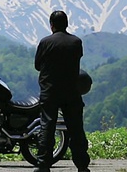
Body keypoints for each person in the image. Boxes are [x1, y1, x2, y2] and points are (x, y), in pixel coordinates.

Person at [34, 11, 90, 172]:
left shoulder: (45, 42)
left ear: (51, 25)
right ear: (66, 23)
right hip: (71, 91)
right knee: (76, 129)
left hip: (50, 91)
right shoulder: (76, 42)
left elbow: (37, 65)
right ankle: (82, 166)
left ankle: (43, 165)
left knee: (47, 127)